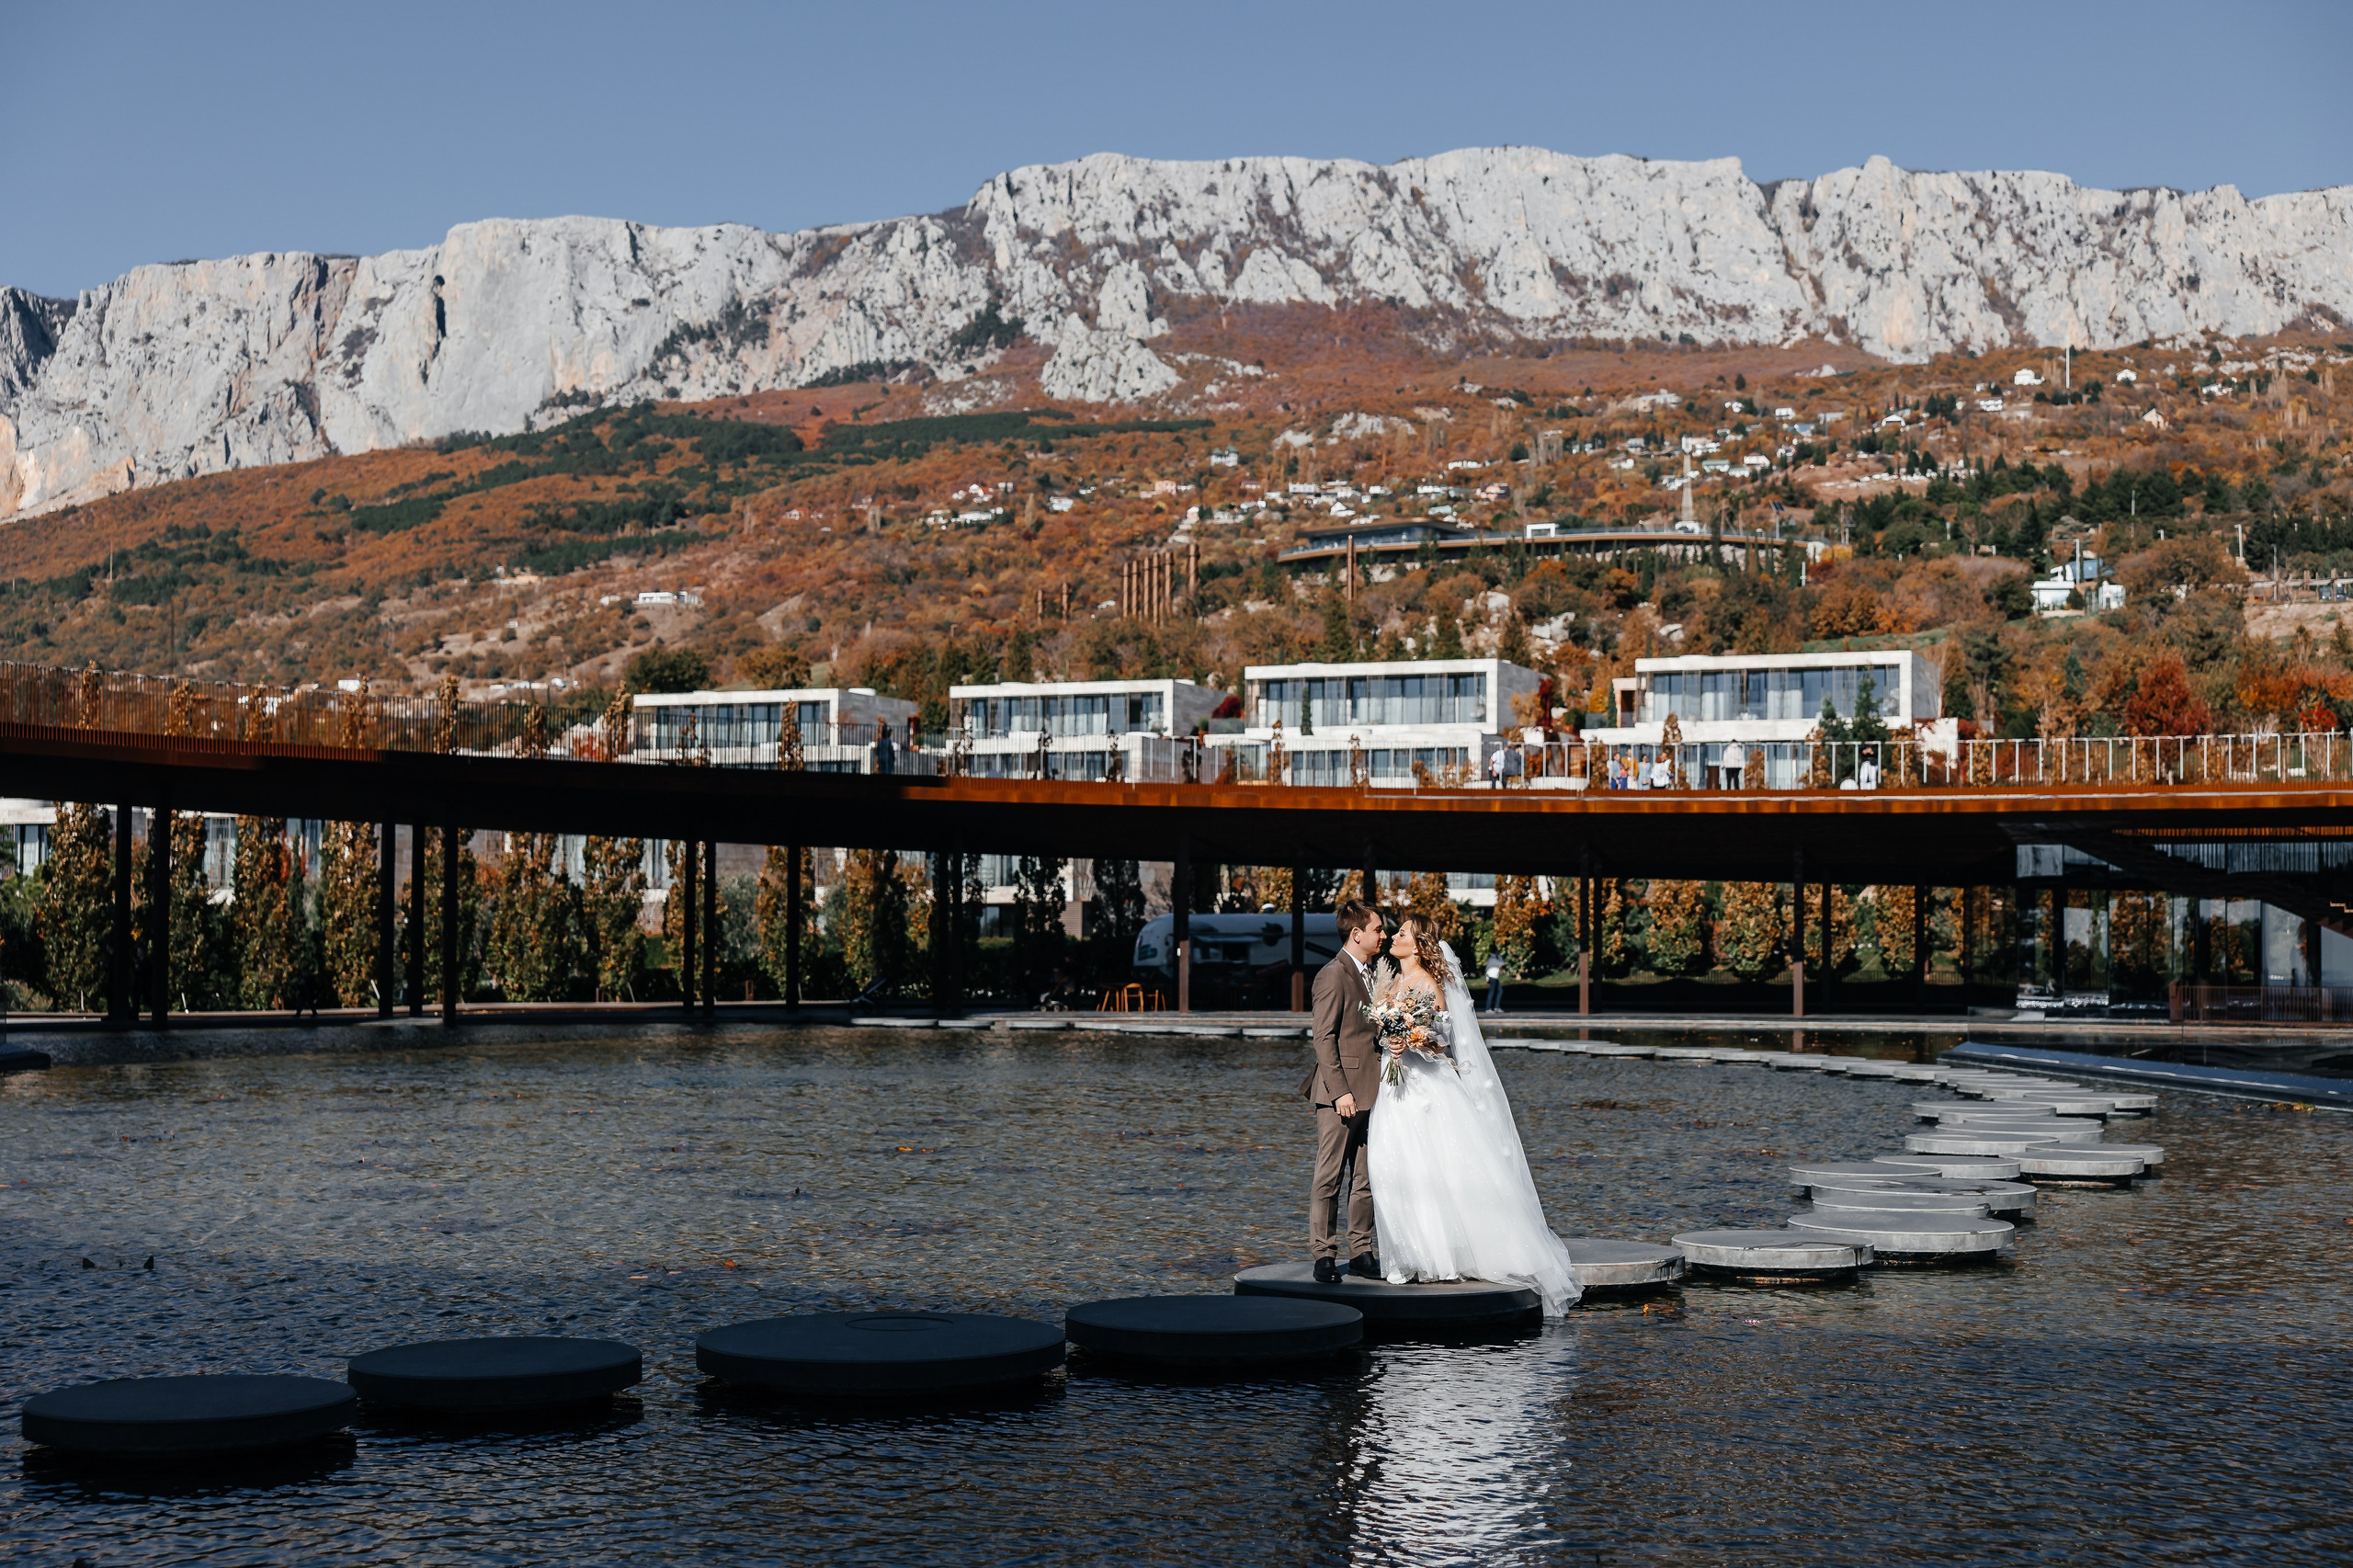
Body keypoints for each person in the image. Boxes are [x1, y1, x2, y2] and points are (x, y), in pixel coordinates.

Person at [1366, 913, 1582, 1315]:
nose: (1394, 936)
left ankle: (1438, 1259)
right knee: (1390, 1165)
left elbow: (1444, 1036)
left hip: (1424, 1086)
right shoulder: (1392, 982)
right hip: (1393, 1087)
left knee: (1429, 1168)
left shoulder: (1429, 983)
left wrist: (1410, 1039)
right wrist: (1389, 1037)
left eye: (1401, 933)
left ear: (1417, 945)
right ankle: (1406, 1256)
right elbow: (1384, 1028)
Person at [1302, 899, 1387, 1285]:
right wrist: (1340, 1092)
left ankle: (1361, 1252)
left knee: (1366, 1179)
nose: (1383, 935)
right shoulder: (1332, 974)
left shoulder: (1375, 975)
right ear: (1357, 934)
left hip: (1375, 1091)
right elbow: (1323, 1038)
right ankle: (1323, 1255)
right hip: (1341, 1094)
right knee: (1330, 1176)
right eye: (1378, 930)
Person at [1483, 949, 1506, 1013]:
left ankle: (1496, 1007)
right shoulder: (1492, 959)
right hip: (1492, 977)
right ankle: (1488, 1008)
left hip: (1495, 977)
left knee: (1500, 991)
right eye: (1498, 952)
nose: (1499, 953)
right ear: (1495, 952)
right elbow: (1502, 963)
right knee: (1491, 992)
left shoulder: (1495, 958)